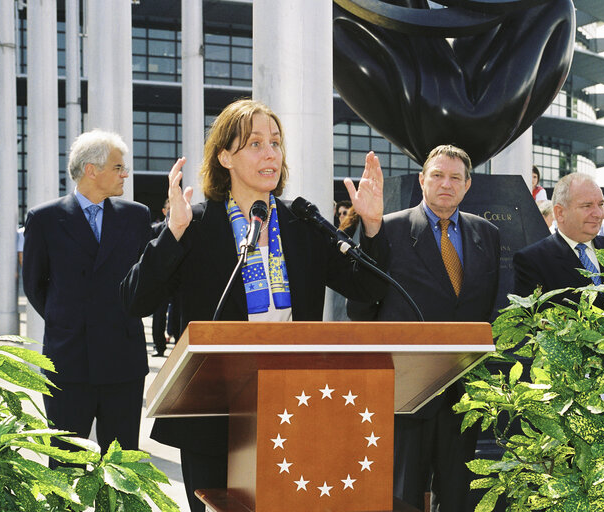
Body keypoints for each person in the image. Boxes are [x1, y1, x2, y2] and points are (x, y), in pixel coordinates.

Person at [119, 99, 390, 512]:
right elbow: (135, 300)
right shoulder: (192, 224)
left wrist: (371, 226)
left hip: (295, 406)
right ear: (224, 156)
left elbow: (368, 287)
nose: (271, 153)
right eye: (256, 143)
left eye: (276, 143)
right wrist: (171, 235)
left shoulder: (303, 224)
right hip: (213, 413)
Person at [348, 145, 500, 512]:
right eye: (437, 175)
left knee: (458, 496)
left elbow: (486, 308)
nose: (445, 185)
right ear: (421, 180)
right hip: (406, 394)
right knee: (402, 496)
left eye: (454, 178)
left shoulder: (487, 234)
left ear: (467, 186)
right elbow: (359, 307)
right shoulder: (388, 229)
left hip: (465, 394)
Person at [22, 129, 153, 465]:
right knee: (63, 467)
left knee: (121, 470)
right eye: (119, 167)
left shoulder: (137, 216)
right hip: (67, 363)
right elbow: (35, 286)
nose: (125, 174)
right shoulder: (45, 219)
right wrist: (68, 320)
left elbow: (146, 278)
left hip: (122, 363)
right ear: (92, 170)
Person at [513, 173, 604, 309]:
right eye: (587, 206)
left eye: (600, 204)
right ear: (560, 213)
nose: (598, 214)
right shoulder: (533, 261)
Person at [151, 199, 171, 357]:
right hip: (161, 280)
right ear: (164, 211)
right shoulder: (155, 229)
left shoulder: (191, 227)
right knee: (158, 315)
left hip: (181, 280)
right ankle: (159, 346)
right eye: (169, 209)